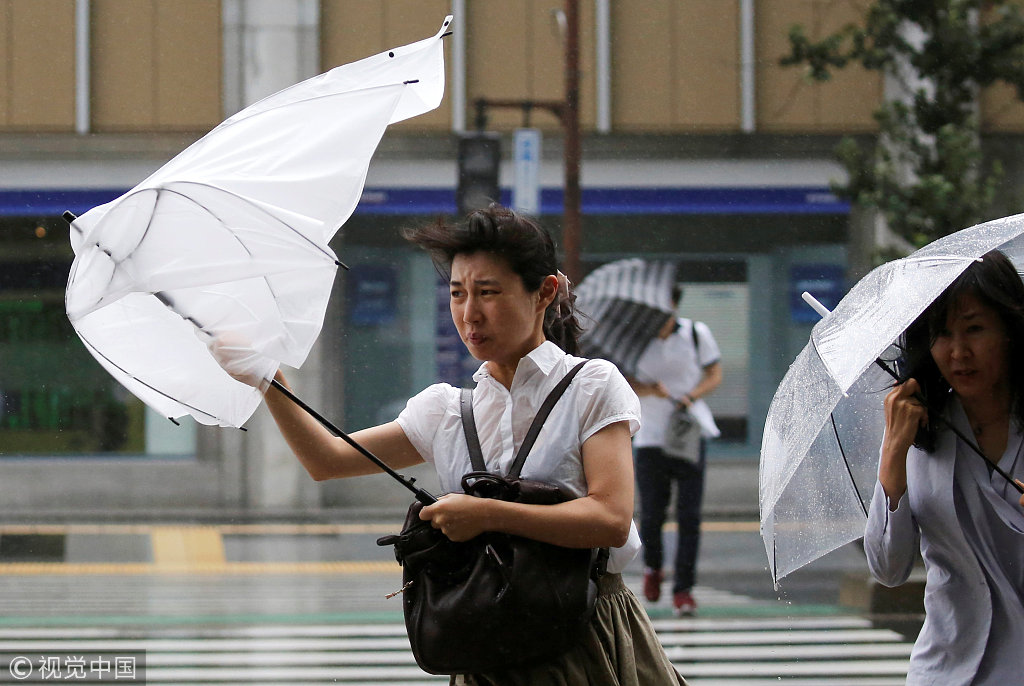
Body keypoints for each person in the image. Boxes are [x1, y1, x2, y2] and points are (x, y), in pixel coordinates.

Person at [211, 205, 687, 686]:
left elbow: (609, 518)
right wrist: (270, 379)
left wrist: (485, 515)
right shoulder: (444, 411)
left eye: (488, 292)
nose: (468, 313)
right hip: (486, 646)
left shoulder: (592, 386)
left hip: (584, 633)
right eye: (458, 293)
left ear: (544, 292)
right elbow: (326, 460)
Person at [864, 249, 1024, 685]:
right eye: (942, 334)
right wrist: (893, 454)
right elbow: (888, 569)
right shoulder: (920, 430)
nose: (958, 352)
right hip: (946, 671)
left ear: (1009, 330)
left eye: (974, 329)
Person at [627, 286, 722, 616]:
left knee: (690, 516)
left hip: (688, 433)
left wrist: (693, 395)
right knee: (651, 514)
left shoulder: (696, 334)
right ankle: (653, 567)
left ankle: (684, 589)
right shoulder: (635, 340)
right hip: (650, 436)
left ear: (674, 305)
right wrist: (648, 389)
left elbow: (714, 373)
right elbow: (622, 381)